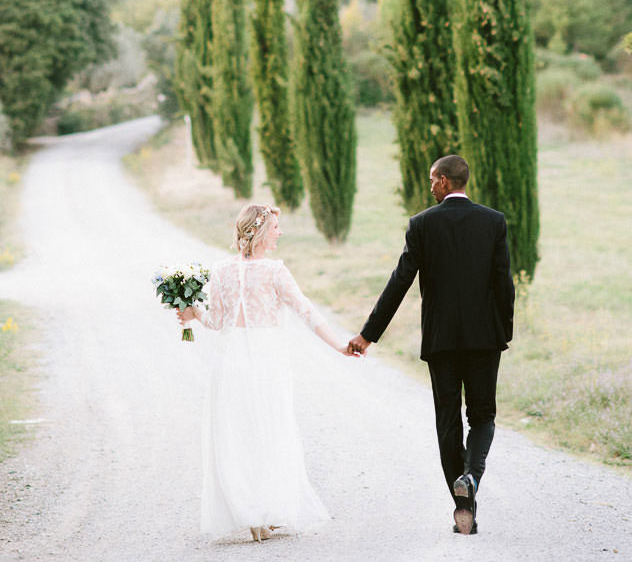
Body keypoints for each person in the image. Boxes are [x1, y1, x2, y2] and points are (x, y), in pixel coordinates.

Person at [347, 155, 515, 536]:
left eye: (431, 180)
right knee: (483, 416)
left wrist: (368, 334)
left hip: (441, 340)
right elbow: (504, 283)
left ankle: (463, 506)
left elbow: (399, 282)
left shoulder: (422, 224)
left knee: (447, 421)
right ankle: (471, 476)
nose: (429, 187)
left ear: (443, 181)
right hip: (485, 340)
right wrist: (502, 332)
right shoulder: (493, 221)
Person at [177, 202, 350, 542]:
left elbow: (215, 321)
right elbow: (306, 312)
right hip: (265, 359)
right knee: (269, 428)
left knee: (237, 433)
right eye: (275, 228)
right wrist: (339, 345)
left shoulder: (221, 270)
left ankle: (251, 514)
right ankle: (266, 510)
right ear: (257, 233)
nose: (280, 233)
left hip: (230, 361)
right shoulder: (275, 271)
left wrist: (192, 313)